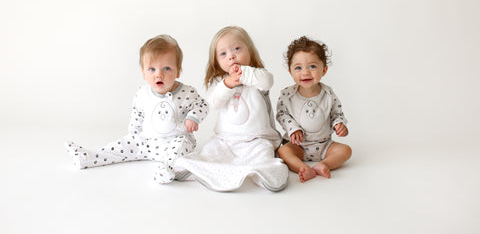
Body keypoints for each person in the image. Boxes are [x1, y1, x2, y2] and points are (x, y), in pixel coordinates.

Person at [64, 35, 208, 184]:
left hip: (175, 140)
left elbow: (202, 105)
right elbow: (137, 114)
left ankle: (168, 169)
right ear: (144, 73)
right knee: (118, 147)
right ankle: (88, 157)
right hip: (146, 142)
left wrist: (193, 117)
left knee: (179, 151)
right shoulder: (142, 94)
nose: (159, 74)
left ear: (178, 71)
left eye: (167, 68)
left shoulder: (186, 92)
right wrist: (133, 135)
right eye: (152, 69)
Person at [175, 26, 288, 192]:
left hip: (257, 138)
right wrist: (228, 84)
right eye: (223, 54)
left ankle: (262, 174)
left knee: (263, 152)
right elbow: (214, 103)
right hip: (225, 139)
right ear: (217, 61)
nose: (231, 56)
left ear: (250, 52)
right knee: (210, 150)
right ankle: (198, 168)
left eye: (237, 49)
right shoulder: (221, 82)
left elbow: (268, 81)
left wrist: (244, 74)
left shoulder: (257, 77)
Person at [276, 36, 352, 182]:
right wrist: (293, 128)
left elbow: (337, 113)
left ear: (324, 70)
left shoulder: (329, 94)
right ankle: (302, 168)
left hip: (324, 145)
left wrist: (339, 124)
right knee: (282, 151)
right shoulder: (287, 95)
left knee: (346, 150)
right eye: (298, 68)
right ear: (290, 71)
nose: (305, 72)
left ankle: (324, 165)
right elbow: (281, 114)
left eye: (312, 66)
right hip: (298, 146)